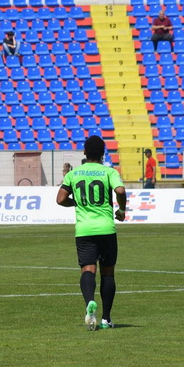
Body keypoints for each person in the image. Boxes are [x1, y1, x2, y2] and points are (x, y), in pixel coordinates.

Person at [56, 135, 126, 330]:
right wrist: (121, 210)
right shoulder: (109, 171)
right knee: (108, 273)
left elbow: (60, 199)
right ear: (103, 154)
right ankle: (106, 318)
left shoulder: (74, 174)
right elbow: (120, 191)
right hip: (106, 228)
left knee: (88, 269)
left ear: (85, 153)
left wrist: (76, 202)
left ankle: (89, 303)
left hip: (84, 229)